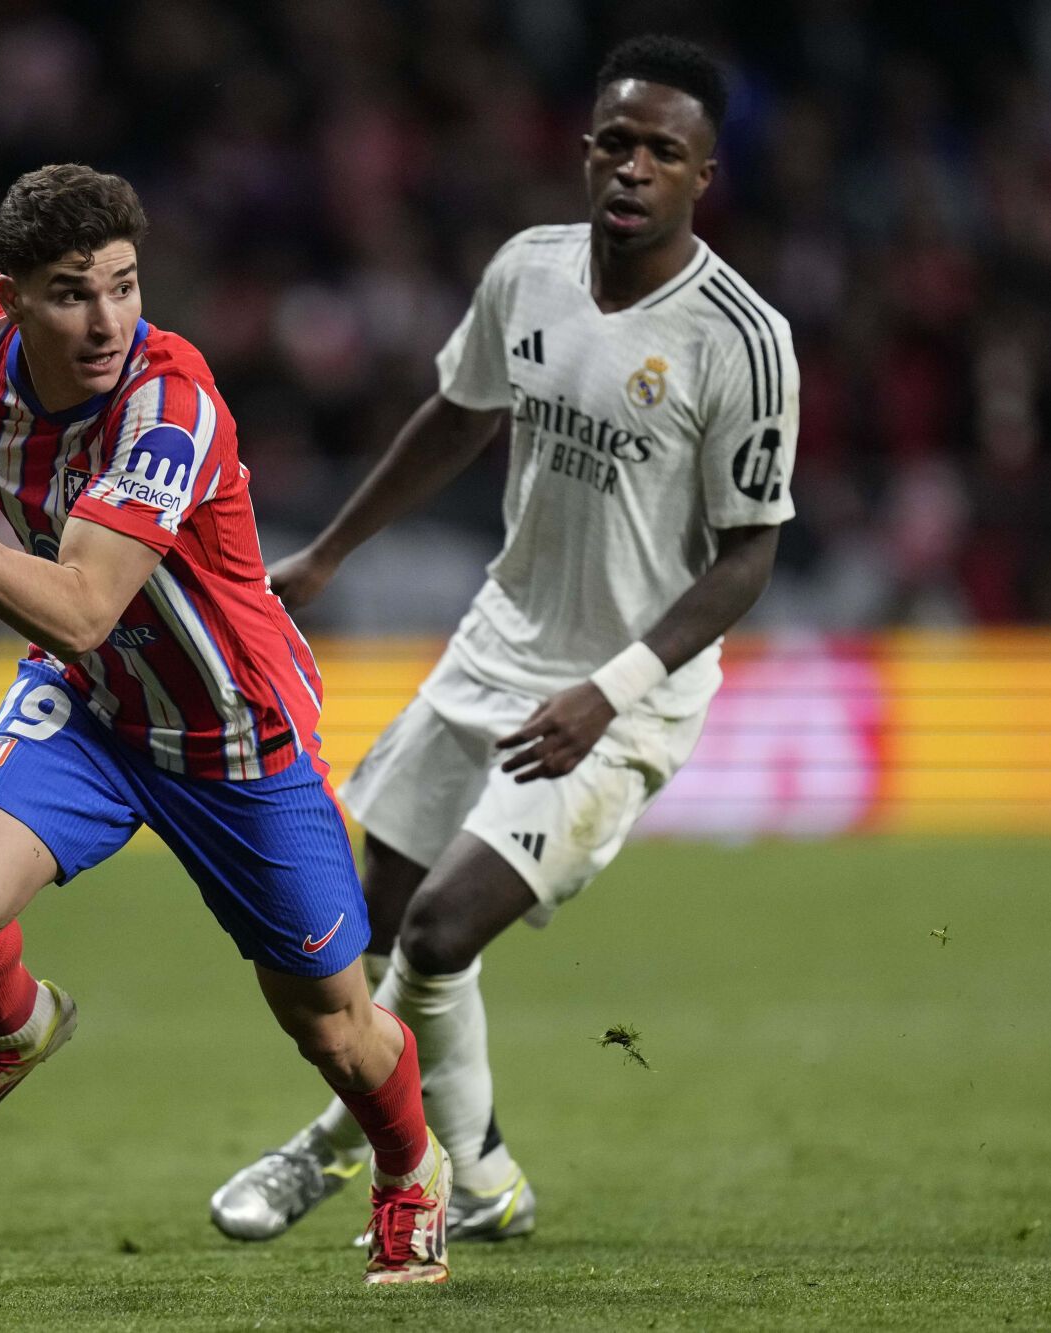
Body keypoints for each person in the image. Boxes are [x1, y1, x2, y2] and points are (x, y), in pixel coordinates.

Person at [209, 35, 798, 1245]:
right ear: (584, 151)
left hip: (623, 692)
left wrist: (609, 688)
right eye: (615, 143)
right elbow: (458, 415)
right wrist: (330, 550)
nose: (632, 169)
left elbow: (748, 557)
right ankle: (474, 1179)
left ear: (703, 175)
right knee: (365, 924)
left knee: (436, 934)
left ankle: (379, 1156)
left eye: (662, 153)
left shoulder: (741, 340)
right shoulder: (526, 272)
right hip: (495, 646)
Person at [0, 164, 450, 1285]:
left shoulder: (168, 403)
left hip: (232, 736)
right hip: (93, 710)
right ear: (11, 296)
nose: (105, 322)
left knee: (333, 1030)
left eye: (125, 287)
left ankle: (408, 1171)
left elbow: (87, 608)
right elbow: (82, 638)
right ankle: (20, 1026)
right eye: (70, 293)